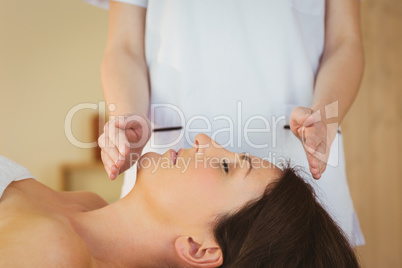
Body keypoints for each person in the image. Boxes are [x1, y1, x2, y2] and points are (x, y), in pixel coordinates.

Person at [83, 0, 365, 246]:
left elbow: (345, 42)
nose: (204, 139)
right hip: (168, 154)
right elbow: (125, 47)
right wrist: (128, 115)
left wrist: (324, 115)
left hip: (300, 155)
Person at [0, 134, 359, 267]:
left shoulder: (52, 253)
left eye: (223, 167)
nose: (203, 139)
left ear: (199, 249)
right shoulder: (87, 204)